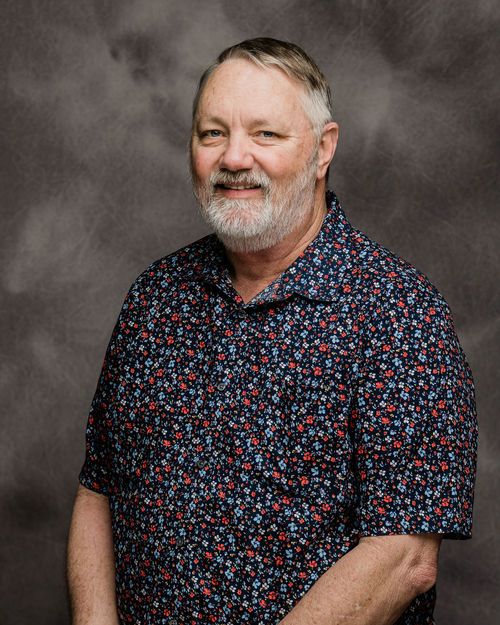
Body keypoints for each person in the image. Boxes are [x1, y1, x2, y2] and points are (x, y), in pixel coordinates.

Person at [66, 37, 478, 625]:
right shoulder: (154, 299)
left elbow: (405, 557)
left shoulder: (398, 312)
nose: (235, 157)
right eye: (213, 133)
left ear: (322, 149)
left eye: (265, 134)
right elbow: (97, 490)